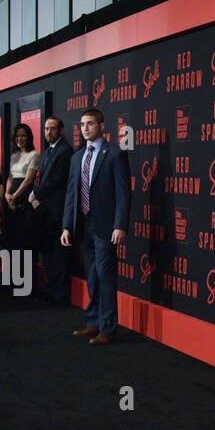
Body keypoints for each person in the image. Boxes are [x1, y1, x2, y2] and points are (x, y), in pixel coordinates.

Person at [61, 109, 129, 345]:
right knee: (91, 275)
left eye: (90, 123)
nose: (85, 128)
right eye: (82, 124)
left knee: (105, 276)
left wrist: (120, 226)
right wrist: (67, 226)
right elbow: (71, 194)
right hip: (83, 225)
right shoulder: (76, 158)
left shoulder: (115, 155)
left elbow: (123, 194)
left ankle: (108, 328)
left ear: (101, 125)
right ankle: (93, 322)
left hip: (106, 227)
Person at [30, 116, 72, 305]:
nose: (49, 132)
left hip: (57, 211)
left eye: (53, 129)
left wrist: (36, 193)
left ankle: (59, 294)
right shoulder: (48, 150)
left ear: (60, 130)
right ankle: (51, 290)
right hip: (46, 211)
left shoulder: (65, 151)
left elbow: (57, 180)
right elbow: (41, 177)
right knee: (49, 253)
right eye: (46, 129)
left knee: (58, 255)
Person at [4, 123, 41, 256]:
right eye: (17, 136)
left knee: (26, 241)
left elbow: (28, 180)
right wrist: (7, 195)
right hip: (12, 201)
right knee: (13, 240)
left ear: (29, 137)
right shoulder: (14, 156)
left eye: (23, 135)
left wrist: (14, 196)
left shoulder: (34, 155)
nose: (20, 139)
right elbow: (10, 177)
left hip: (25, 201)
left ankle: (28, 275)